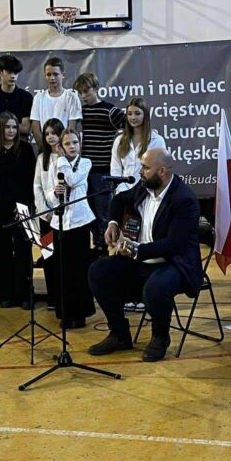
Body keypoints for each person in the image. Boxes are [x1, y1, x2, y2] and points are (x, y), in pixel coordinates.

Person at [87, 148, 201, 362]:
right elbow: (119, 199)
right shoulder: (144, 186)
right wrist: (113, 223)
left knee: (155, 288)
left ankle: (160, 336)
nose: (140, 171)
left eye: (146, 167)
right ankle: (119, 334)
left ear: (162, 171)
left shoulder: (184, 200)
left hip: (173, 263)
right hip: (142, 260)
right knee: (99, 271)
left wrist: (136, 250)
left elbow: (173, 245)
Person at [0, 111, 36, 308]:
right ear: (0, 129)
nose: (11, 131)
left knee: (23, 252)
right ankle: (5, 294)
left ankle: (25, 295)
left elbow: (31, 181)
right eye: (7, 127)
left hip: (21, 209)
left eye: (14, 127)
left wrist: (27, 207)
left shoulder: (26, 150)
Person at [41, 129, 96, 328]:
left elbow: (72, 180)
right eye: (67, 144)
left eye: (75, 142)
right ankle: (65, 313)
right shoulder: (55, 165)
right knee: (62, 269)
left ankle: (80, 314)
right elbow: (49, 195)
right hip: (60, 222)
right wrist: (55, 193)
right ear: (61, 146)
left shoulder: (85, 163)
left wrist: (62, 160)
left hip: (80, 222)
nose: (72, 146)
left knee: (79, 269)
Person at [74, 72, 126, 247]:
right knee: (89, 211)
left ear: (96, 88)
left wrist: (119, 149)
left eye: (86, 91)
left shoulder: (109, 110)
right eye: (80, 93)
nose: (83, 96)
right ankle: (97, 244)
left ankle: (104, 247)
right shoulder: (81, 112)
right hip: (85, 170)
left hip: (103, 169)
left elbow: (130, 127)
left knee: (104, 212)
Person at [110, 97, 167, 194]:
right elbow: (115, 170)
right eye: (129, 114)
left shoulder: (157, 140)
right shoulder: (119, 141)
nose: (133, 117)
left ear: (145, 115)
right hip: (123, 193)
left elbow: (160, 171)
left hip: (148, 193)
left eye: (137, 113)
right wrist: (122, 190)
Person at [29, 57, 82, 144]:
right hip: (44, 147)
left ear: (63, 75)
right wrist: (44, 148)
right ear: (45, 75)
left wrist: (64, 147)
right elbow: (35, 128)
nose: (52, 78)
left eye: (55, 74)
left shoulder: (72, 97)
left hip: (65, 147)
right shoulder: (38, 98)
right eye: (49, 74)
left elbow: (72, 128)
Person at [0, 54, 33, 141]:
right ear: (0, 72)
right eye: (9, 72)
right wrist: (15, 129)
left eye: (15, 73)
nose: (13, 76)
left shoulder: (26, 97)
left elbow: (26, 129)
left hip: (20, 147)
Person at [33, 118, 66, 227]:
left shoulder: (68, 156)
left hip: (66, 214)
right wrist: (45, 212)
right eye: (47, 134)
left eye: (54, 133)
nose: (50, 136)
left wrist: (62, 159)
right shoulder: (41, 158)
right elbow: (37, 187)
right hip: (46, 214)